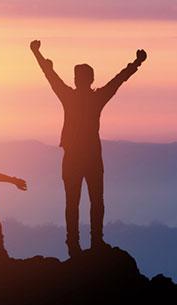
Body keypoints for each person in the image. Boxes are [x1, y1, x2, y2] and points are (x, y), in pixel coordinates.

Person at [30, 39, 147, 257]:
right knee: (95, 201)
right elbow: (118, 80)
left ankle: (75, 246)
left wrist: (36, 53)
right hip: (91, 158)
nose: (78, 81)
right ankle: (94, 243)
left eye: (78, 77)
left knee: (74, 203)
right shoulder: (96, 98)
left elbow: (51, 76)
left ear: (79, 80)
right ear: (90, 79)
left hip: (75, 158)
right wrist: (136, 63)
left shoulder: (70, 96)